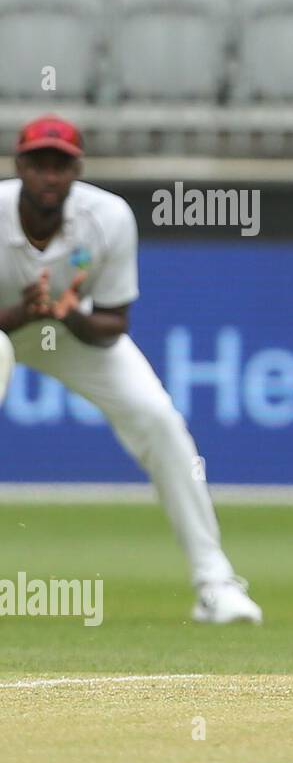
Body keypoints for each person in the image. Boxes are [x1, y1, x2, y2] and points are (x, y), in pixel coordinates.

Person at [0, 115, 262, 624]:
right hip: (4, 330)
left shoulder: (109, 216)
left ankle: (216, 585)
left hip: (74, 335)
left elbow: (114, 322)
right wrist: (23, 314)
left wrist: (67, 312)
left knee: (159, 420)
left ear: (77, 170)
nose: (49, 176)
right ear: (19, 166)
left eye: (61, 165)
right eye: (38, 164)